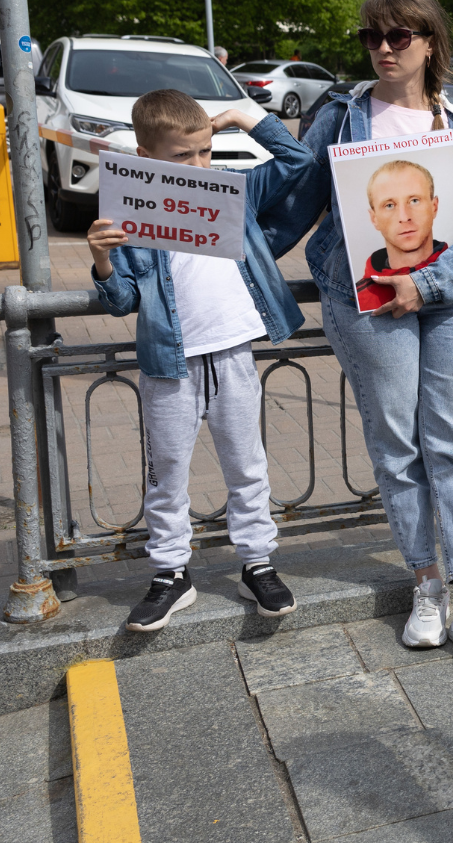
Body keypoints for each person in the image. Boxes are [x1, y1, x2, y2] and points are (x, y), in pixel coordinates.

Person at [271, 0, 453, 673]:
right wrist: (206, 235)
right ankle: (425, 584)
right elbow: (291, 204)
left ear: (429, 43)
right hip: (367, 300)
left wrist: (428, 282)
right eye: (371, 36)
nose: (382, 48)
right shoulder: (341, 117)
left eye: (398, 35)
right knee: (399, 446)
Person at [86, 89, 313, 631]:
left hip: (233, 350)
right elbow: (122, 300)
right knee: (166, 473)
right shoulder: (129, 209)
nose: (198, 165)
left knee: (247, 465)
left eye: (205, 151)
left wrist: (242, 118)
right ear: (145, 156)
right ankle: (170, 573)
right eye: (181, 155)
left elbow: (298, 161)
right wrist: (101, 259)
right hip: (169, 362)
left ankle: (257, 564)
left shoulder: (231, 191)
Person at [355, 160, 444, 313]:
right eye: (389, 205)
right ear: (374, 219)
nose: (404, 217)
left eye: (414, 201)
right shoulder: (361, 297)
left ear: (434, 207)